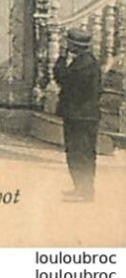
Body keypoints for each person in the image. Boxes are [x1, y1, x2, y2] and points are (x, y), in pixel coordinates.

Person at [53, 27, 102, 202]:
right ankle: (81, 189)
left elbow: (61, 78)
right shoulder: (87, 62)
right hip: (84, 115)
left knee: (79, 153)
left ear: (75, 46)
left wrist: (61, 58)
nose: (67, 46)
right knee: (81, 153)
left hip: (80, 115)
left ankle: (85, 192)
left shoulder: (82, 65)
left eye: (69, 43)